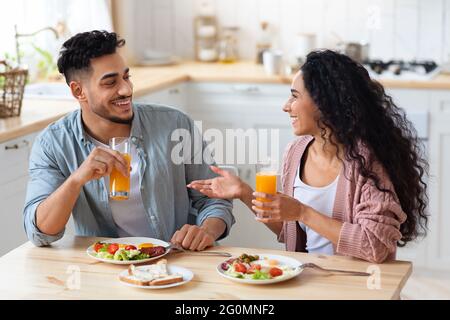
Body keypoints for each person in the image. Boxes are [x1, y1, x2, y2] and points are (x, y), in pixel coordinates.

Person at [188, 49, 428, 263]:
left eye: (295, 96)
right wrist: (243, 191)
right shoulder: (296, 151)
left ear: (325, 103)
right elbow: (289, 230)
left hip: (356, 284)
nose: (286, 105)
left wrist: (303, 212)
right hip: (310, 277)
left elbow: (375, 246)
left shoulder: (367, 162)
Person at [23, 30, 234, 250]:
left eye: (126, 77)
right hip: (108, 267)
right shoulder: (53, 144)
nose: (126, 89)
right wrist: (76, 180)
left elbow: (215, 199)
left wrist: (206, 231)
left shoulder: (175, 125)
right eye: (110, 82)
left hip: (179, 260)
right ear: (79, 91)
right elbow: (40, 233)